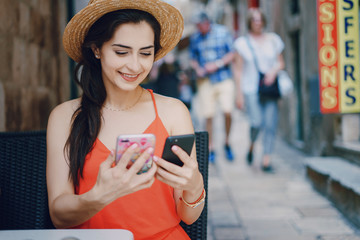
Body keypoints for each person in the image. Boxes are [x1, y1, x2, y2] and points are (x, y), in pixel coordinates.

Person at [46, 1, 205, 239]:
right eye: (121, 52)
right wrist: (99, 195)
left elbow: (188, 216)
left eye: (145, 53)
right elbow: (59, 216)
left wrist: (194, 187)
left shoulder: (173, 111)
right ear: (97, 49)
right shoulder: (65, 117)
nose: (134, 65)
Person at [233, 8, 285, 172]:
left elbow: (281, 62)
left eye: (260, 19)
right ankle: (252, 145)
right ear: (249, 22)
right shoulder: (242, 43)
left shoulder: (273, 40)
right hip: (250, 88)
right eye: (254, 20)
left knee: (270, 123)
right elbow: (238, 70)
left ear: (264, 21)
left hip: (269, 87)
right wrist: (239, 94)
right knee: (256, 122)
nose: (258, 22)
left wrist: (273, 71)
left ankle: (266, 159)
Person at [189, 11, 235, 163]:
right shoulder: (195, 37)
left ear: (207, 23)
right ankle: (211, 147)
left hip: (223, 78)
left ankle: (227, 142)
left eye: (200, 25)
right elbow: (192, 58)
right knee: (208, 115)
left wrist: (217, 64)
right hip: (205, 81)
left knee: (228, 111)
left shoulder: (222, 32)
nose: (198, 28)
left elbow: (232, 54)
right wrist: (197, 69)